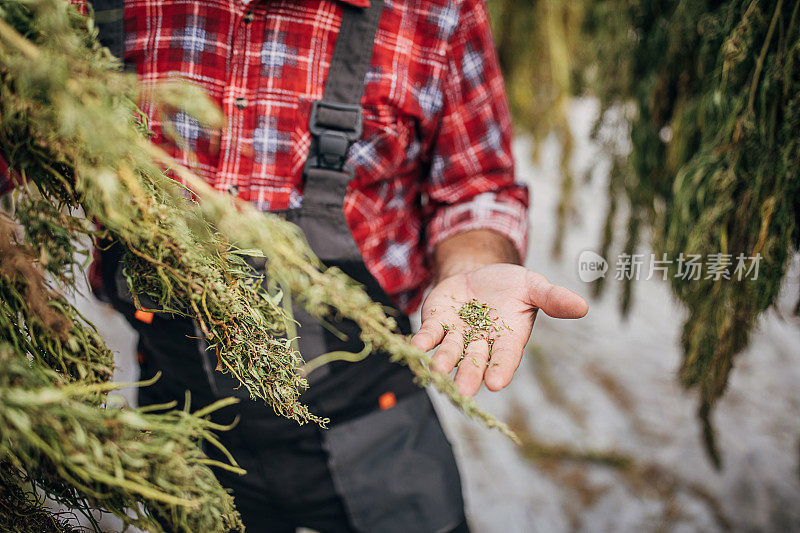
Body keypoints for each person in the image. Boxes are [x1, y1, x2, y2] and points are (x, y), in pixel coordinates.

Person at [75, 0, 588, 531]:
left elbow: (476, 188)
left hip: (374, 431)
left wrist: (470, 265)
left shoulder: (437, 12)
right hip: (180, 428)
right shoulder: (92, 9)